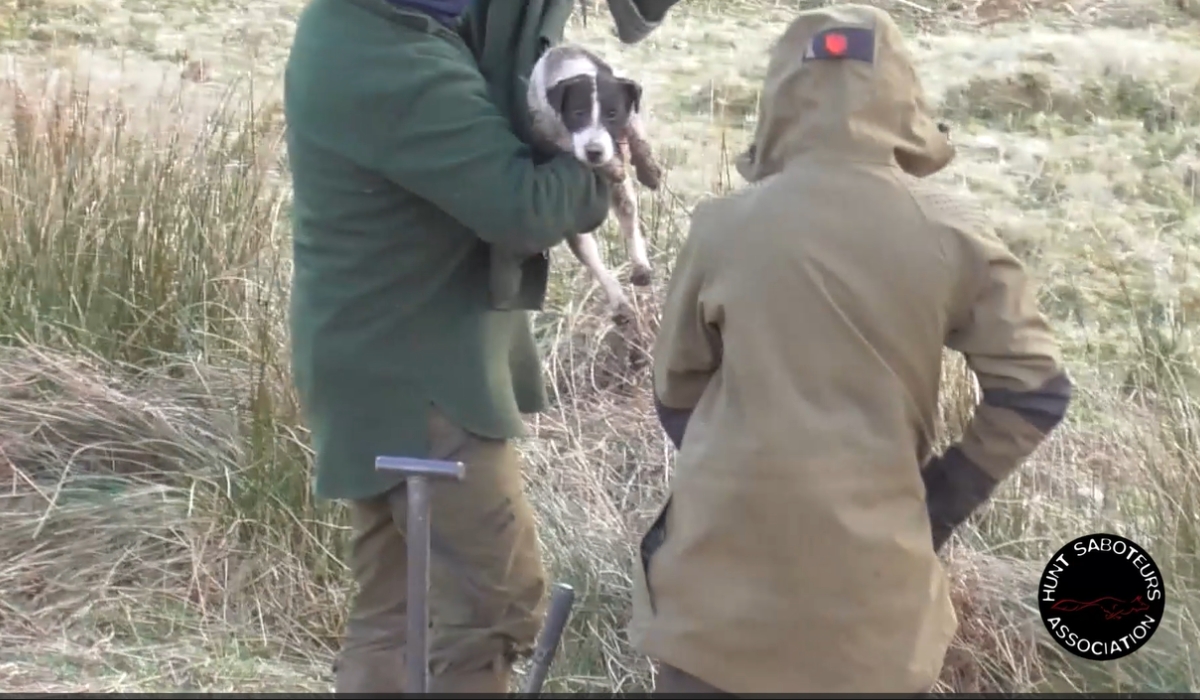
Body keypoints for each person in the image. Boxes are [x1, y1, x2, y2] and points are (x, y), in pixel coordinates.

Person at [629, 5, 1072, 695]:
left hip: (715, 611)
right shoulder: (953, 232)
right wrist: (939, 500)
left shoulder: (723, 230)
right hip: (873, 621)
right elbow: (1036, 389)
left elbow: (675, 390)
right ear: (902, 100)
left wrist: (738, 479)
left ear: (780, 98)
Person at [283, 0, 681, 693]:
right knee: (489, 602)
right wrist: (600, 155)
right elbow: (521, 207)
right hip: (419, 373)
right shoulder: (396, 61)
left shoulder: (370, 25)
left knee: (395, 609)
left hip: (380, 355)